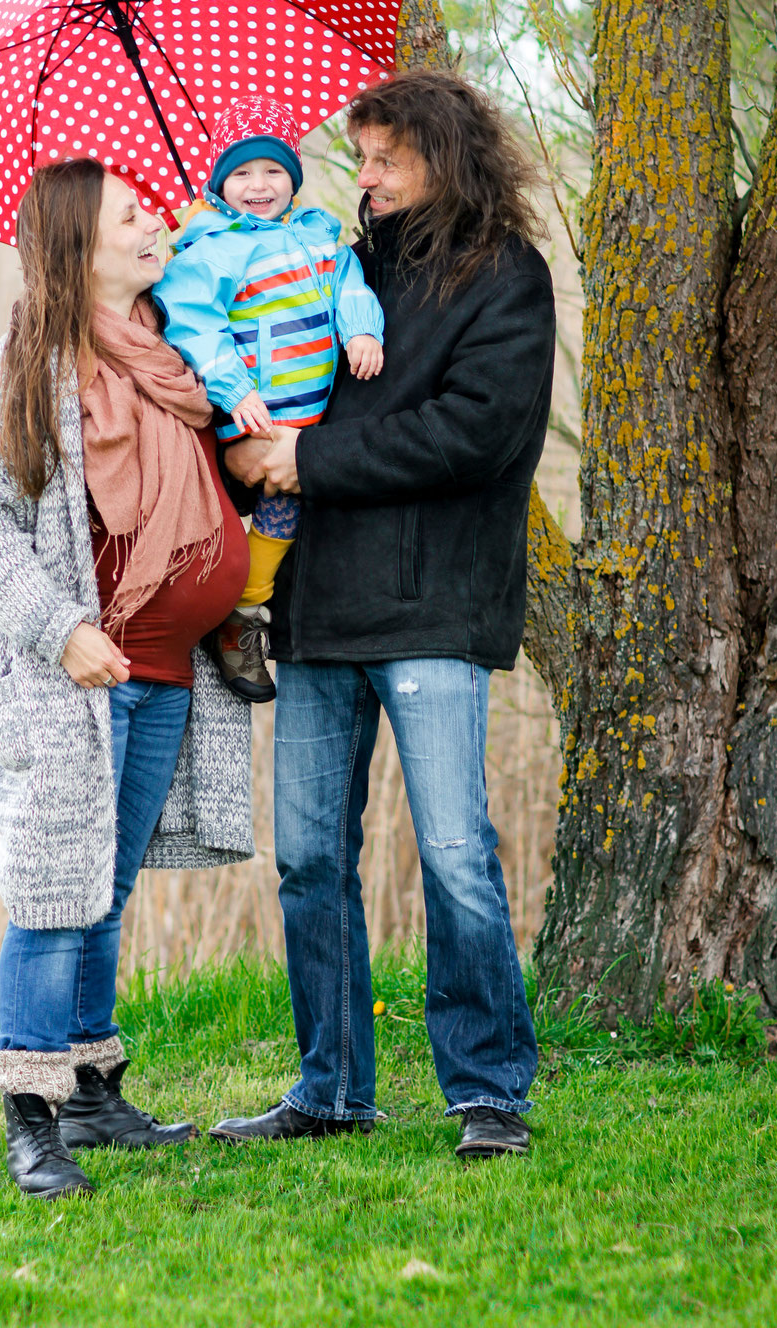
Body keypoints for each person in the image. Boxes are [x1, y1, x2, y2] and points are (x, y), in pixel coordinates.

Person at [208, 69, 555, 1162]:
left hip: (434, 606)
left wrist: (304, 454)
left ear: (441, 159)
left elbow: (477, 436)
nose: (364, 177)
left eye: (384, 158)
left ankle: (489, 1090)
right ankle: (332, 1088)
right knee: (310, 859)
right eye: (358, 159)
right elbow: (275, 380)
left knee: (455, 850)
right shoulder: (335, 266)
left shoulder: (505, 280)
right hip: (316, 610)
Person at [0, 159, 254, 1200]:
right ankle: (31, 1117)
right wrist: (60, 625)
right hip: (75, 679)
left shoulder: (180, 352)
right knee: (50, 888)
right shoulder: (32, 365)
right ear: (81, 248)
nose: (155, 222)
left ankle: (89, 1087)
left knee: (103, 887)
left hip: (167, 671)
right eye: (132, 215)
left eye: (153, 208)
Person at [153, 95, 384, 703]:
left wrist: (362, 328)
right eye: (242, 172)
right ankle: (233, 608)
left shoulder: (317, 237)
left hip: (314, 416)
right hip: (256, 410)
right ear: (219, 182)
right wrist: (234, 390)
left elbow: (349, 283)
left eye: (274, 170)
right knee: (266, 490)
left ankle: (244, 607)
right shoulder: (207, 250)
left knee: (288, 506)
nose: (260, 185)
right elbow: (195, 326)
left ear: (294, 177)